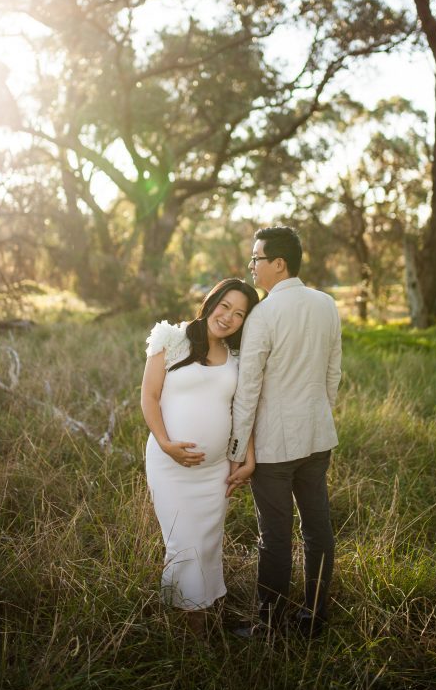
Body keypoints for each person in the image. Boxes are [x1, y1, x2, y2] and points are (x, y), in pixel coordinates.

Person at [226, 225, 342, 638]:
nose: (252, 267)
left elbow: (248, 387)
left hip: (275, 448)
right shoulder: (327, 304)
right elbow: (333, 375)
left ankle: (268, 623)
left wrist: (237, 451)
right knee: (317, 528)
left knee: (273, 537)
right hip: (318, 438)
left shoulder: (264, 313)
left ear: (279, 263)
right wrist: (317, 415)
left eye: (256, 259)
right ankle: (314, 615)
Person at [141, 277, 260, 639]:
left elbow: (244, 413)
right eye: (225, 306)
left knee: (208, 543)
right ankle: (193, 632)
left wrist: (248, 459)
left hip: (215, 472)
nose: (228, 317)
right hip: (170, 465)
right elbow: (149, 395)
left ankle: (199, 611)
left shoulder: (237, 358)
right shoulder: (171, 340)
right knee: (184, 542)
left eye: (239, 314)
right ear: (211, 302)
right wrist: (164, 442)